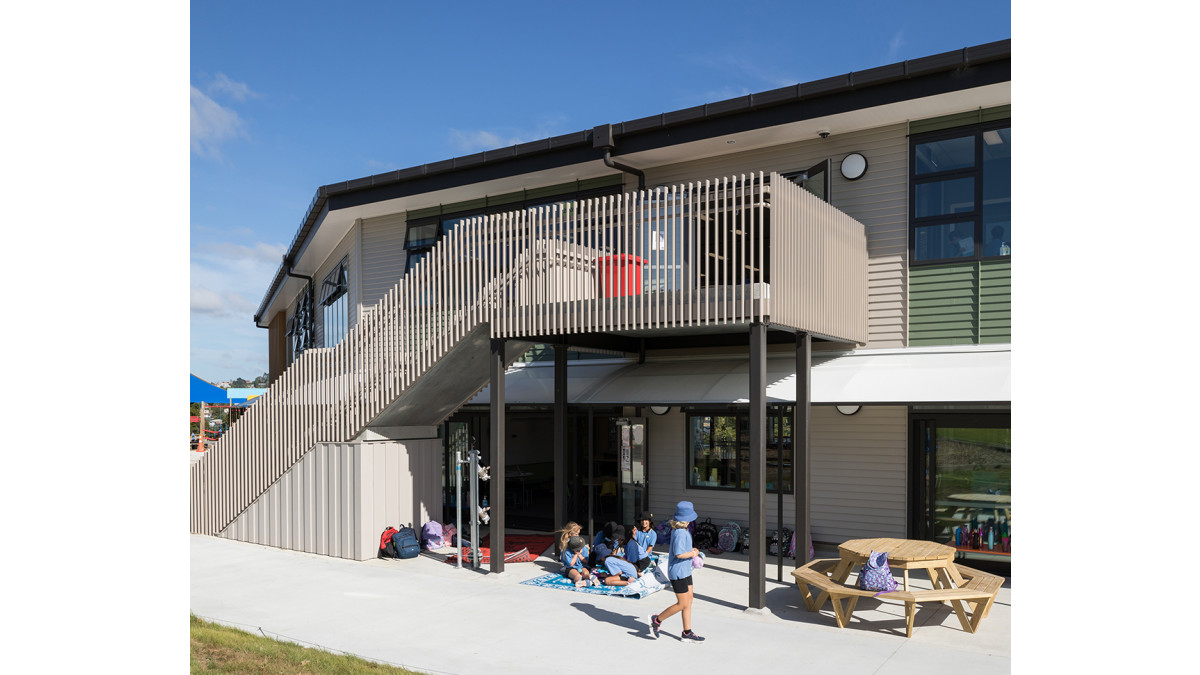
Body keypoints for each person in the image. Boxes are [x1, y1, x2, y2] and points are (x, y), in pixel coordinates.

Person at [647, 501, 704, 643]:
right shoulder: (679, 533)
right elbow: (679, 554)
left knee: (689, 601)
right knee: (682, 604)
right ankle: (657, 620)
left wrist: (692, 553)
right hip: (677, 573)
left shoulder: (683, 531)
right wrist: (693, 553)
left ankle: (687, 632)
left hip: (685, 571)